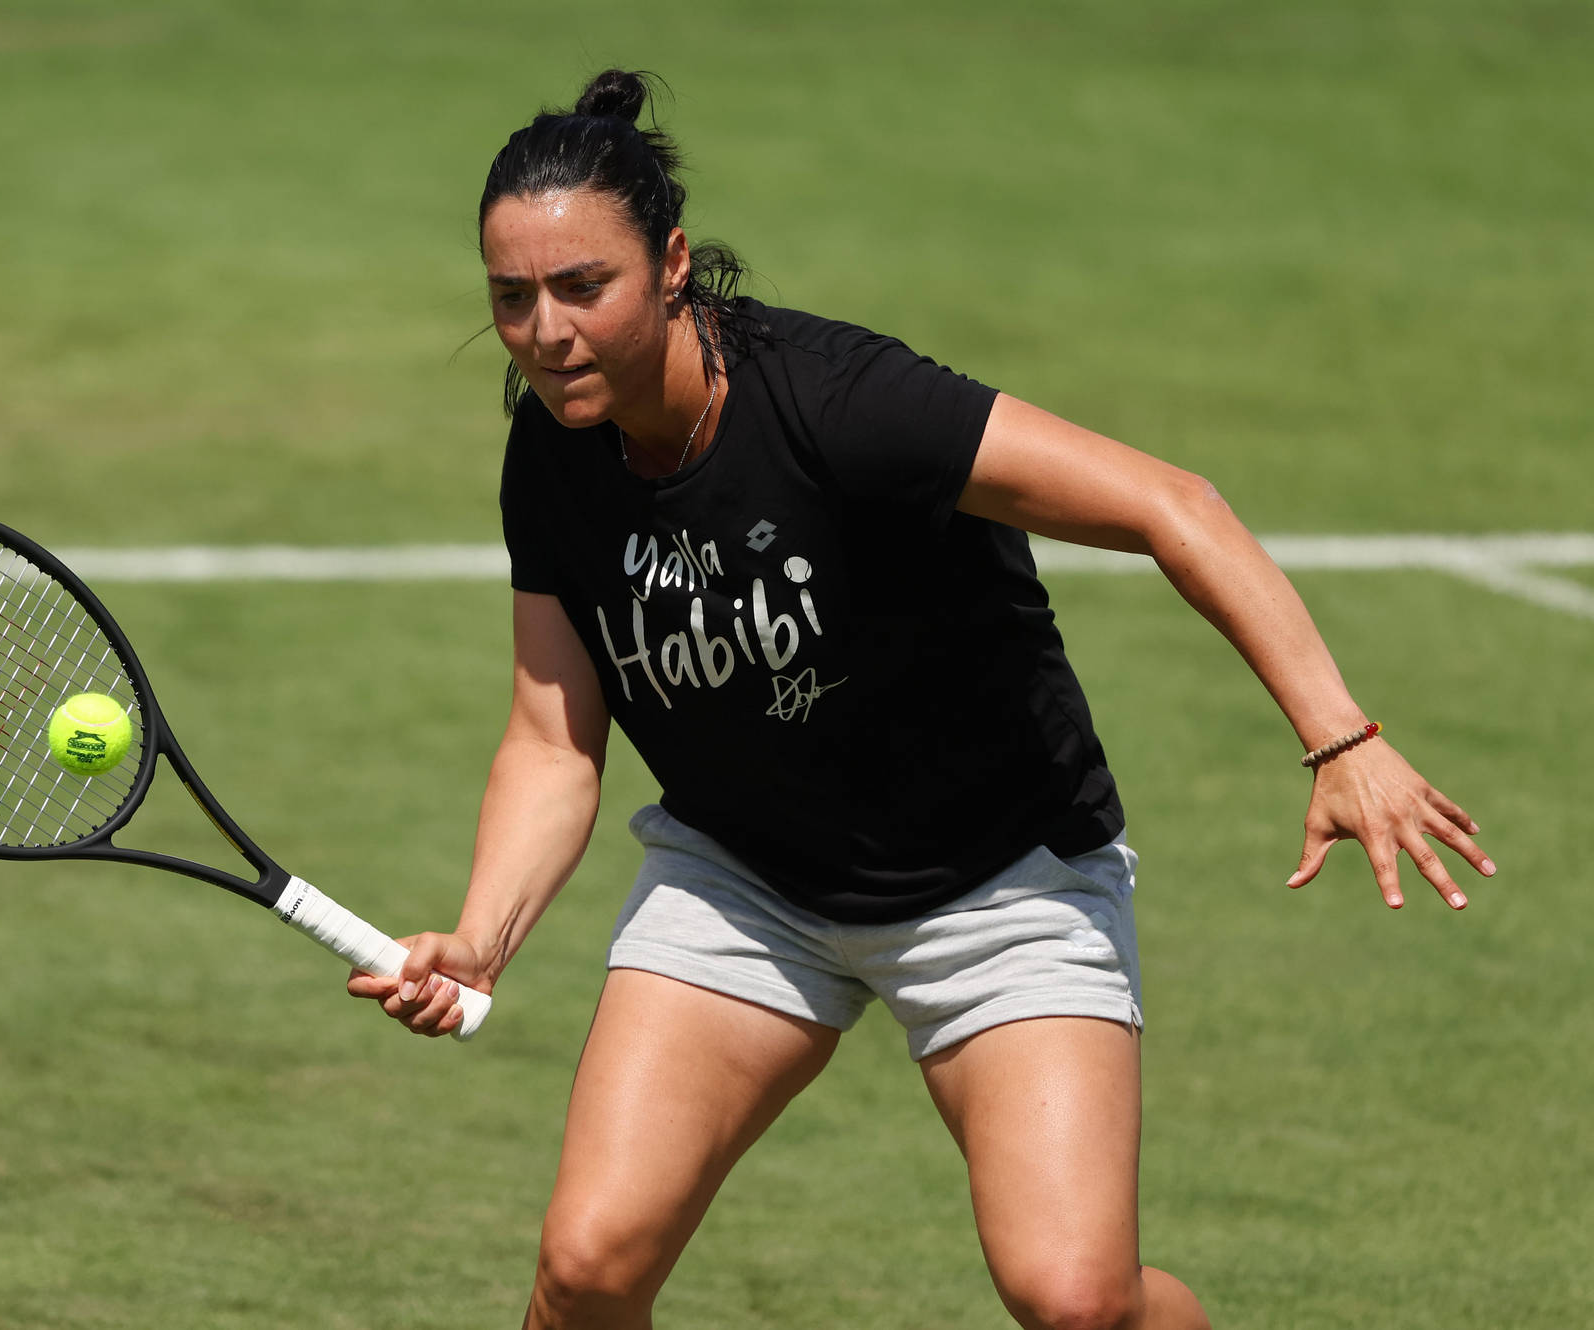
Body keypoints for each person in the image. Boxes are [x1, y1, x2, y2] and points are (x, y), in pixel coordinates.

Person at [346, 69, 1493, 1330]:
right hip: (748, 881)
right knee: (587, 1269)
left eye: (583, 288)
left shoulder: (841, 403)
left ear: (671, 264)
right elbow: (553, 740)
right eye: (513, 298)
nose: (546, 331)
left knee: (1075, 1300)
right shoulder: (555, 452)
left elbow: (1178, 506)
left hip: (1001, 881)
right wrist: (483, 936)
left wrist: (1342, 737)